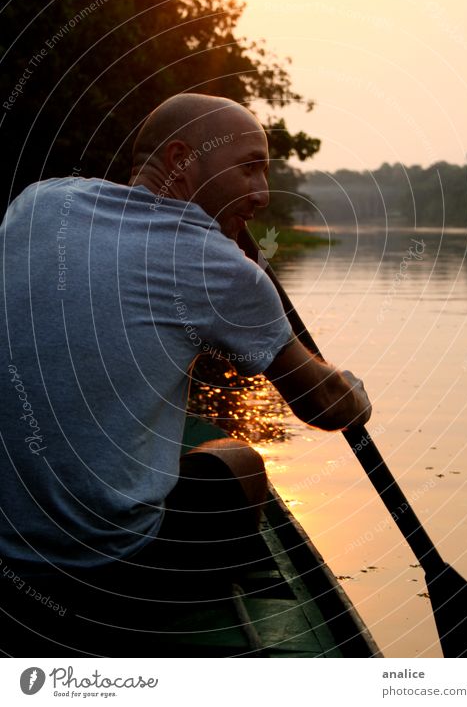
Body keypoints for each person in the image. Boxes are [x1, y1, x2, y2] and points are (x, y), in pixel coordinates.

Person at [0, 94, 371, 642]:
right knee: (241, 460)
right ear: (179, 160)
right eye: (249, 167)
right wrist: (355, 391)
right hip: (109, 572)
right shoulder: (217, 267)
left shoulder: (38, 204)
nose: (263, 194)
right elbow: (327, 407)